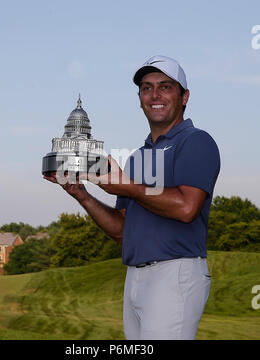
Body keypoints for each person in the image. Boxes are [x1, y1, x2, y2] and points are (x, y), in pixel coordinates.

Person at [44, 55, 220, 340]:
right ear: (140, 99)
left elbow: (187, 207)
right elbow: (123, 231)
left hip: (175, 272)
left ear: (184, 96)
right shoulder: (139, 157)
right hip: (135, 276)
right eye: (147, 88)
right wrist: (82, 195)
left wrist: (126, 187)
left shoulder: (196, 141)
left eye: (165, 87)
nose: (155, 95)